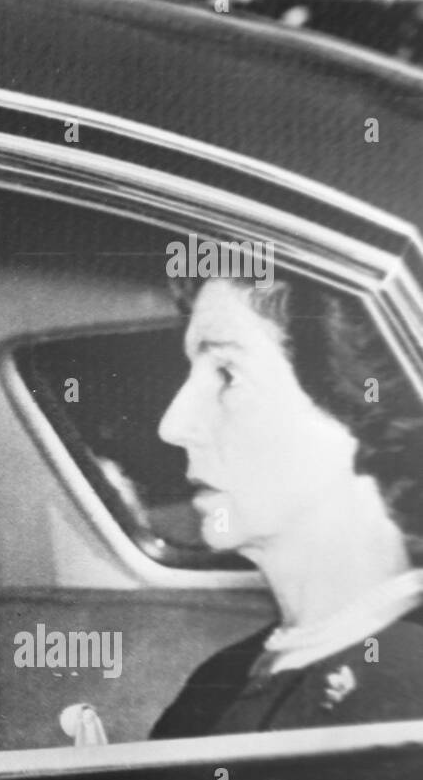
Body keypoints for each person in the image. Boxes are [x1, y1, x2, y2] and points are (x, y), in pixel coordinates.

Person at [152, 275, 423, 738]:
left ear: (355, 400)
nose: (173, 425)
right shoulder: (229, 670)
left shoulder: (404, 693)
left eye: (227, 374)